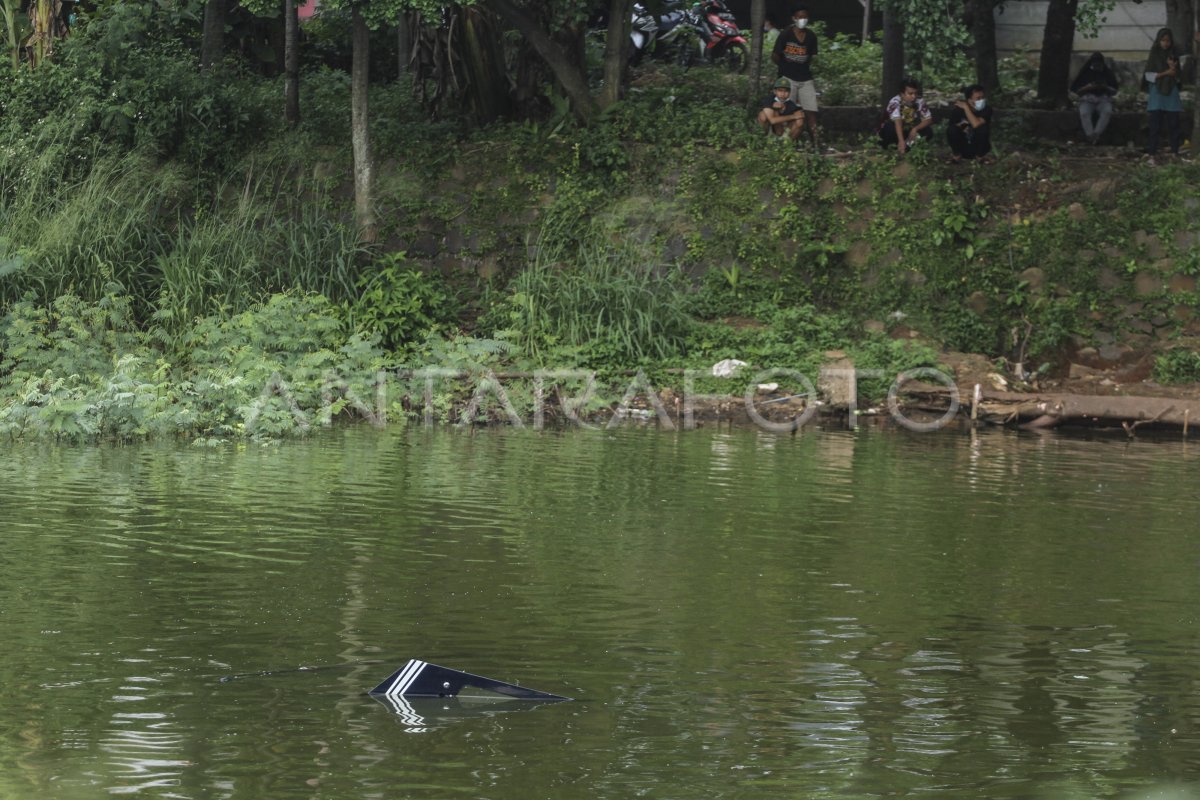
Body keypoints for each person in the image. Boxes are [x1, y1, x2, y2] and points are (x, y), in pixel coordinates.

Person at [771, 5, 820, 148]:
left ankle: (816, 144)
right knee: (787, 110)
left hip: (805, 78)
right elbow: (775, 56)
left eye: (805, 17)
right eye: (800, 17)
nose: (803, 20)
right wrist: (785, 68)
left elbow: (810, 57)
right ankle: (786, 142)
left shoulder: (811, 36)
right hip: (788, 78)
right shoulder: (786, 34)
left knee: (811, 111)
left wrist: (801, 66)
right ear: (794, 18)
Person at [1144, 28, 1183, 157]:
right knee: (1155, 125)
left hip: (1171, 92)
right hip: (1157, 93)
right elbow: (1149, 75)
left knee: (1174, 124)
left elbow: (1179, 77)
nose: (1165, 43)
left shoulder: (1173, 54)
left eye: (1168, 40)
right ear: (1159, 40)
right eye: (1163, 40)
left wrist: (1173, 67)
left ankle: (1175, 152)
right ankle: (1152, 153)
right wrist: (1166, 72)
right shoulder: (1154, 53)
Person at [1070, 52, 1119, 145]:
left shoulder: (1107, 73)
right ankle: (1090, 135)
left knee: (1107, 112)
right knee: (1084, 113)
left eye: (1099, 64)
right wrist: (1087, 88)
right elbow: (1075, 90)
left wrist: (1105, 87)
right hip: (1087, 99)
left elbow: (1115, 90)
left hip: (1103, 99)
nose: (1097, 66)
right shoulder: (1085, 73)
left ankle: (1096, 135)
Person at [879, 78, 933, 155]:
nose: (913, 96)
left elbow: (928, 119)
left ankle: (908, 147)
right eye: (910, 94)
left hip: (909, 130)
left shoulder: (920, 101)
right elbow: (898, 121)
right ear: (902, 94)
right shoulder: (895, 102)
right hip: (893, 130)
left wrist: (915, 129)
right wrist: (901, 141)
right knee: (889, 128)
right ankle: (893, 147)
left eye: (915, 93)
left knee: (928, 131)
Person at [946, 84, 993, 163]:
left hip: (979, 144)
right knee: (952, 130)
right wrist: (964, 126)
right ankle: (957, 156)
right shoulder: (958, 110)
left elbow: (976, 124)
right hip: (963, 144)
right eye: (978, 98)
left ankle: (980, 157)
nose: (981, 100)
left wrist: (966, 108)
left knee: (983, 128)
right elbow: (953, 125)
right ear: (969, 99)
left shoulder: (987, 109)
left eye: (982, 97)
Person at [757, 77, 806, 142]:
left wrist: (797, 116)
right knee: (763, 115)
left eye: (786, 91)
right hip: (770, 128)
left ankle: (787, 143)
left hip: (783, 130)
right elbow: (772, 121)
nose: (783, 94)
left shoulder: (791, 104)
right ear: (775, 91)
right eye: (780, 90)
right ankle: (762, 138)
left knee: (800, 120)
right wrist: (793, 116)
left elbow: (800, 115)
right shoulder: (769, 99)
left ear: (789, 92)